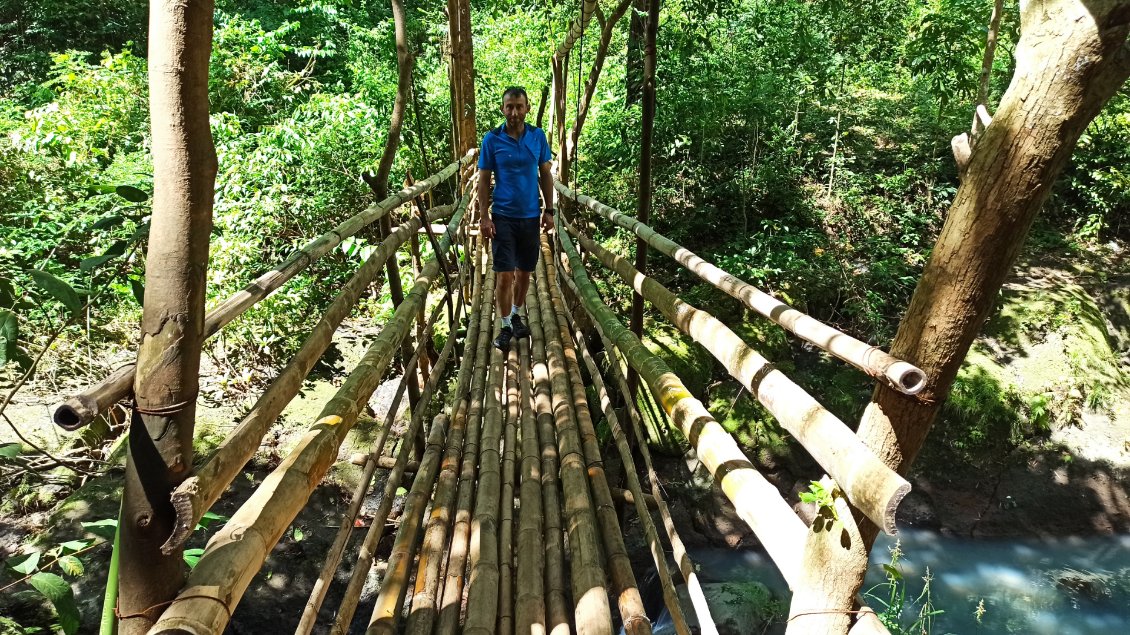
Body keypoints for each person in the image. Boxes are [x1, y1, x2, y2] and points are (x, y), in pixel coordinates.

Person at [477, 86, 555, 351]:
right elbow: (484, 180)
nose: (514, 112)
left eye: (519, 106)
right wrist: (484, 217)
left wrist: (549, 210)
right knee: (504, 275)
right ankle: (505, 325)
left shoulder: (537, 137)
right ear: (502, 109)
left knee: (524, 272)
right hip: (503, 218)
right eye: (509, 107)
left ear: (527, 108)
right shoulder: (492, 139)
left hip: (531, 217)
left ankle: (517, 314)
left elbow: (545, 174)